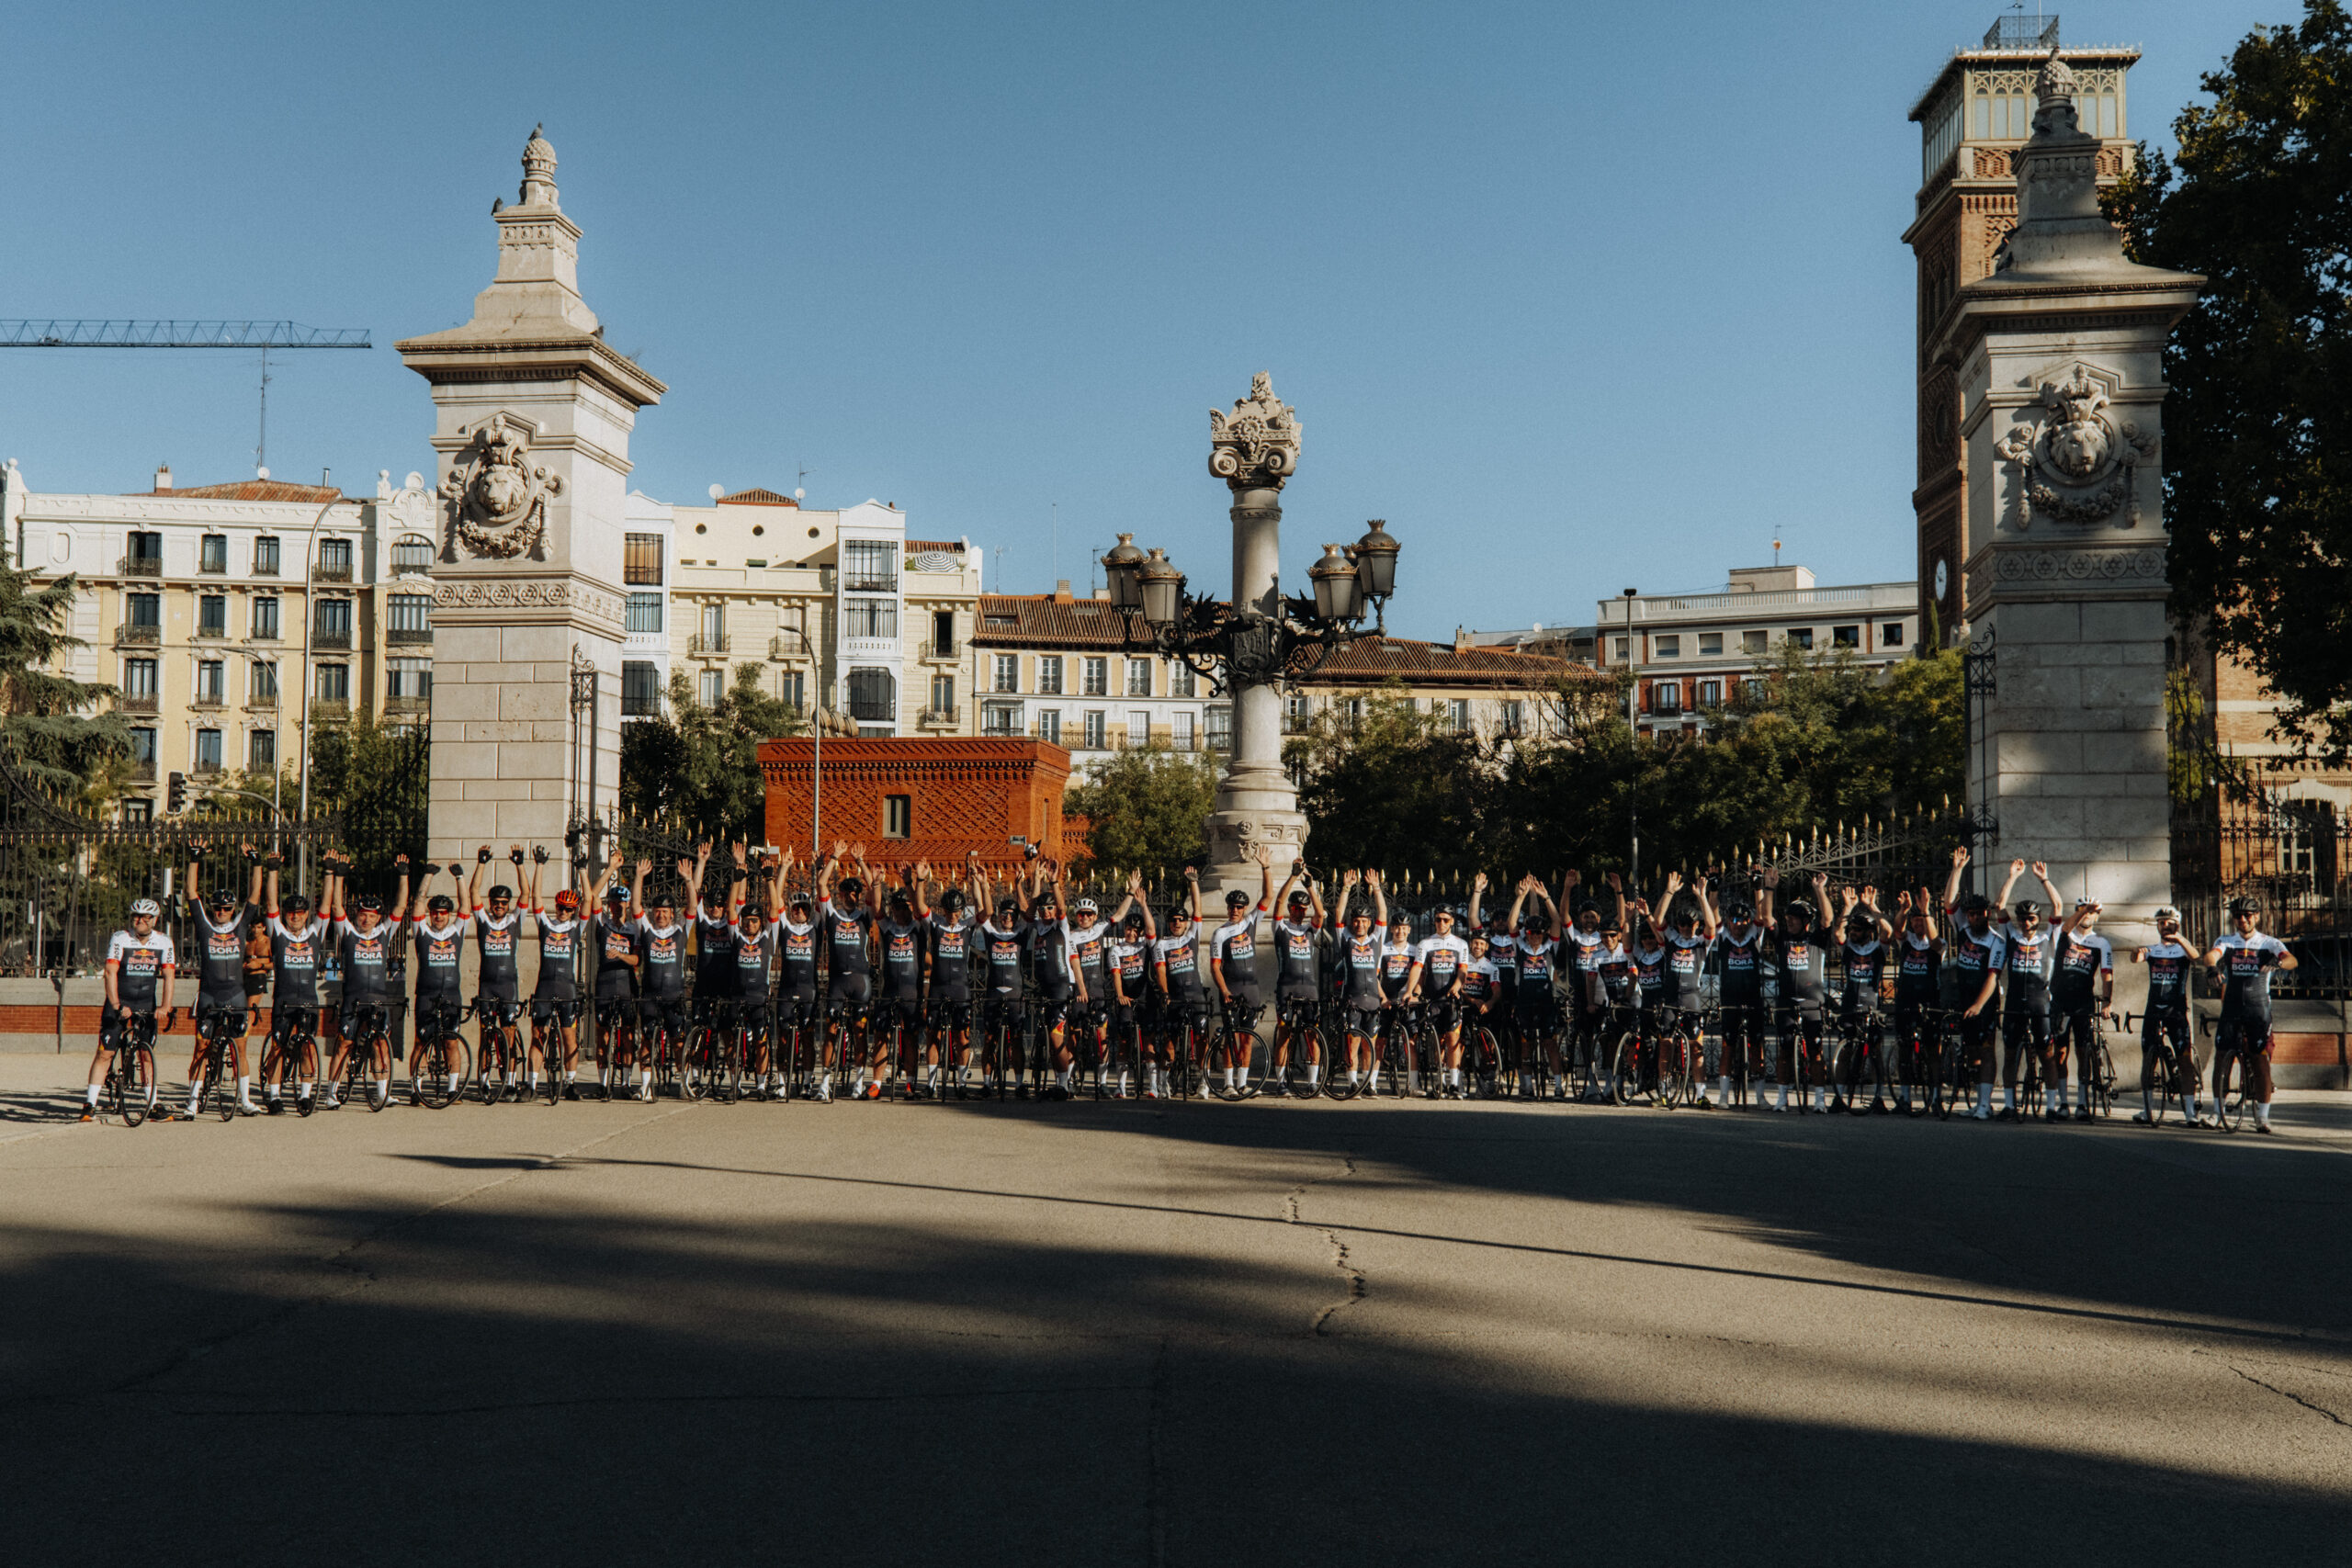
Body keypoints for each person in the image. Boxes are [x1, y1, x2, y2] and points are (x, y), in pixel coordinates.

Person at [177, 842, 266, 1119]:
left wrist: (256, 863)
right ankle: (192, 1102)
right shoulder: (205, 925)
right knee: (201, 1048)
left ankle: (246, 1101)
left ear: (232, 909)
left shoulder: (240, 925)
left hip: (236, 994)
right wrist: (195, 858)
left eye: (226, 908)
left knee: (240, 1048)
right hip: (209, 995)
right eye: (217, 908)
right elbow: (191, 893)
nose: (221, 912)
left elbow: (255, 895)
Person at [321, 855, 409, 1110]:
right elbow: (337, 907)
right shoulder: (347, 931)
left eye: (371, 916)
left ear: (378, 917)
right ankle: (331, 1093)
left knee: (381, 1043)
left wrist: (403, 876)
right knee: (344, 1044)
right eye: (362, 915)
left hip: (378, 999)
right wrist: (339, 875)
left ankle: (383, 1093)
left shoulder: (384, 932)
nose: (366, 919)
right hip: (353, 998)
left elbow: (401, 907)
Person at [2205, 896, 2295, 1134]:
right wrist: (2213, 967)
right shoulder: (2227, 940)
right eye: (2238, 916)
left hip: (2258, 1008)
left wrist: (2280, 962)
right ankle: (2217, 1112)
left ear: (2257, 917)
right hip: (2232, 1008)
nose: (2243, 919)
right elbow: (2211, 954)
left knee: (2260, 1060)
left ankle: (2262, 1118)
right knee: (2221, 1059)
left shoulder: (2269, 942)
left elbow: (2292, 960)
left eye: (2248, 915)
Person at [85, 897, 174, 1122]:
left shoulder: (164, 942)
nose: (139, 921)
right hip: (120, 1001)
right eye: (135, 916)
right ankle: (89, 1104)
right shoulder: (120, 938)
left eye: (145, 917)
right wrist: (116, 1005)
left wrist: (165, 1006)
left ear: (154, 920)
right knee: (105, 1053)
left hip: (146, 1003)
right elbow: (110, 973)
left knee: (146, 1055)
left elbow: (169, 976)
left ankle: (152, 1105)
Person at [1992, 858, 2063, 1122]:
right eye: (2022, 918)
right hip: (2013, 1001)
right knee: (2010, 1053)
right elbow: (1999, 906)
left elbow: (2058, 906)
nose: (2026, 922)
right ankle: (2009, 1105)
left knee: (2047, 1054)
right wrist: (2013, 876)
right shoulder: (2011, 935)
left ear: (2038, 919)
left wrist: (2044, 879)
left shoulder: (2049, 937)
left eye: (2031, 918)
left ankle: (2052, 1107)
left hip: (2039, 1000)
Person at [1758, 867, 1833, 1112]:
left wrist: (1819, 890)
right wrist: (1769, 888)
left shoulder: (1816, 939)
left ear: (1806, 922)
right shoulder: (1782, 938)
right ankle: (1782, 1098)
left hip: (1812, 1002)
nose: (1788, 921)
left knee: (1816, 1052)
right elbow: (1767, 918)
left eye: (1794, 918)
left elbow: (1828, 919)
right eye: (1788, 917)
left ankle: (1820, 1100)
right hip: (1786, 1002)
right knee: (1785, 1050)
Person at [258, 857, 330, 1113]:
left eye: (300, 913)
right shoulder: (278, 932)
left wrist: (329, 871)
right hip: (284, 1000)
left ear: (306, 915)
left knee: (308, 1047)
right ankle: (275, 1097)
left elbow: (326, 907)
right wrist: (274, 871)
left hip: (309, 1000)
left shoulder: (315, 933)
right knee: (278, 1047)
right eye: (292, 913)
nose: (296, 916)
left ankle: (305, 1095)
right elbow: (271, 904)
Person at [1942, 849, 2007, 1122]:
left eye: (1978, 914)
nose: (1973, 918)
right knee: (1971, 1051)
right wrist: (1956, 869)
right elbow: (1948, 902)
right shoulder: (1964, 930)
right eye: (1969, 914)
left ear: (1986, 914)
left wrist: (1979, 1005)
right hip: (1963, 997)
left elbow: (1993, 976)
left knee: (1987, 1049)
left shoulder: (1996, 941)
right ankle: (1979, 1102)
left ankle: (1985, 1103)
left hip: (1985, 1001)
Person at [915, 854, 986, 1098]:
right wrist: (920, 880)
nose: (953, 915)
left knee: (961, 1035)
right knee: (933, 1034)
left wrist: (979, 882)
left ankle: (962, 1085)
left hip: (961, 987)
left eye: (956, 911)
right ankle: (931, 1085)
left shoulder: (967, 925)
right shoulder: (936, 924)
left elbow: (985, 911)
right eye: (949, 911)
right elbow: (920, 908)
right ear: (943, 910)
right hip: (937, 986)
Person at [815, 841, 879, 1100]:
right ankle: (824, 1083)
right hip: (837, 981)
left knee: (860, 1031)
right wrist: (834, 857)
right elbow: (821, 885)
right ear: (841, 895)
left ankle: (858, 1082)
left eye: (856, 894)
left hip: (860, 980)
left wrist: (862, 863)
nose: (852, 897)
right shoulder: (832, 914)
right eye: (847, 893)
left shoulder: (864, 916)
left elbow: (876, 895)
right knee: (831, 1030)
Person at [1208, 846, 1274, 1097]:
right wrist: (1224, 990)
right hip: (1232, 987)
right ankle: (1227, 1083)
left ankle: (1243, 1083)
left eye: (1239, 906)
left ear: (1244, 908)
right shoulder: (1220, 933)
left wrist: (1266, 867)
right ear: (1227, 909)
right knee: (1231, 1037)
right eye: (1231, 906)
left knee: (1247, 1038)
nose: (1235, 910)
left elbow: (1268, 897)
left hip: (1252, 988)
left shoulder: (1250, 922)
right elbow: (1215, 966)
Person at [407, 863, 472, 1102]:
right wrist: (427, 876)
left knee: (451, 1042)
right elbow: (417, 903)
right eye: (435, 911)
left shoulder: (457, 931)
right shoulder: (422, 931)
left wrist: (460, 878)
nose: (438, 916)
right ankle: (416, 1089)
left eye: (443, 912)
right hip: (426, 993)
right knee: (420, 1041)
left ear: (449, 915)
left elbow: (466, 905)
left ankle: (452, 1089)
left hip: (452, 994)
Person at [468, 844, 530, 1095]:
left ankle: (511, 1081)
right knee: (485, 1036)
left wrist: (520, 865)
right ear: (491, 903)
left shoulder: (515, 919)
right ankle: (483, 1081)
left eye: (504, 902)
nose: (500, 906)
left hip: (508, 985)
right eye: (496, 902)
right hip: (486, 984)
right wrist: (481, 863)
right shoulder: (483, 919)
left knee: (509, 1034)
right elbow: (473, 892)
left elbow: (526, 892)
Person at [524, 845, 585, 1099]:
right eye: (560, 906)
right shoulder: (546, 924)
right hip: (545, 986)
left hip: (567, 987)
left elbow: (590, 902)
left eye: (568, 909)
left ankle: (570, 1084)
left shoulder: (575, 927)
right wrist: (539, 866)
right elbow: (536, 900)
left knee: (569, 1037)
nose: (563, 911)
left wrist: (582, 870)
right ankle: (531, 1085)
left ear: (573, 911)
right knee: (538, 1036)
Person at [2131, 905, 2199, 1125]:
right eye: (2160, 923)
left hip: (2176, 1011)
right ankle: (2147, 1109)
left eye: (2168, 922)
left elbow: (2196, 956)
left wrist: (2179, 938)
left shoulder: (2182, 949)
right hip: (2154, 1009)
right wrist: (2136, 952)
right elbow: (2136, 959)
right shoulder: (2153, 950)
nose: (2164, 926)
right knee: (2148, 1061)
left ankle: (2190, 1112)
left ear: (2177, 924)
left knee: (2185, 1059)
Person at [2050, 895, 2114, 1122]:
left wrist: (2107, 1001)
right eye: (2082, 911)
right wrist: (2081, 910)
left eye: (2091, 912)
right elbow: (2066, 926)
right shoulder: (2064, 934)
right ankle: (2063, 1103)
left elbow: (2107, 974)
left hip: (2082, 1002)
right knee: (2060, 1053)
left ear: (2098, 916)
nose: (2087, 915)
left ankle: (2081, 1103)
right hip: (2060, 1000)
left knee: (2082, 1051)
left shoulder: (2101, 943)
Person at [633, 860, 693, 1101]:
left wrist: (688, 880)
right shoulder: (646, 929)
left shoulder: (680, 930)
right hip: (649, 995)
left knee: (679, 1044)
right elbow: (636, 905)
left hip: (674, 995)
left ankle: (684, 1085)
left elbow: (692, 908)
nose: (660, 915)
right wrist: (639, 877)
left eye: (665, 912)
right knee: (647, 1041)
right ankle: (645, 1086)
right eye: (657, 911)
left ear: (672, 914)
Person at [1654, 873, 1716, 1106]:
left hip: (1692, 998)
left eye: (1690, 924)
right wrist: (1669, 891)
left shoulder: (1701, 942)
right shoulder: (1670, 939)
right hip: (1670, 998)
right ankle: (1664, 1089)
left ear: (1696, 925)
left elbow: (1711, 925)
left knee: (1696, 1046)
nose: (1685, 928)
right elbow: (1659, 920)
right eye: (1681, 924)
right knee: (1665, 1045)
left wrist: (1701, 896)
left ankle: (1701, 1093)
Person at [1830, 886, 1893, 1113]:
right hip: (1849, 1001)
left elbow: (1888, 932)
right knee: (1845, 1050)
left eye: (1857, 930)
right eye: (1852, 929)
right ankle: (1839, 1096)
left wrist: (1872, 906)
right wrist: (1847, 907)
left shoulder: (1878, 948)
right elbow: (1837, 933)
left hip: (1870, 1000)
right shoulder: (1848, 947)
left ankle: (1878, 1098)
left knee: (1875, 1051)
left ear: (1868, 931)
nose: (1852, 932)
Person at [1267, 862, 1327, 1096]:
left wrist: (1310, 887)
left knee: (1312, 1035)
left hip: (1310, 988)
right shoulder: (1281, 928)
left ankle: (1313, 1082)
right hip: (1287, 988)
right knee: (1284, 1035)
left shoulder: (1310, 930)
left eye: (1303, 908)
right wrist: (1292, 877)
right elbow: (1278, 903)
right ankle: (1281, 1082)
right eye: (1297, 908)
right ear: (1291, 909)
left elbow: (1320, 913)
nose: (1300, 911)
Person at [1150, 870, 1208, 1099]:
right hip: (1174, 997)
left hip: (1196, 995)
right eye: (1173, 920)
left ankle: (1204, 1082)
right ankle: (1164, 1083)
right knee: (1169, 1042)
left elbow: (1199, 911)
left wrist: (1194, 883)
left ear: (1185, 923)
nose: (1177, 923)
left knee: (1203, 1039)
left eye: (1180, 920)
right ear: (1169, 923)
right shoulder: (1161, 945)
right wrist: (1164, 992)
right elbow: (1161, 971)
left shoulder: (1191, 936)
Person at [1407, 903, 1473, 1098]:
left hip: (1451, 999)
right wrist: (1409, 991)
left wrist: (1457, 986)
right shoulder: (1425, 944)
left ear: (1452, 922)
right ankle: (1440, 1082)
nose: (1441, 923)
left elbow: (1463, 970)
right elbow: (1417, 968)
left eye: (1445, 920)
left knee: (1453, 1039)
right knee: (1438, 1042)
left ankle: (1454, 1084)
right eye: (1438, 919)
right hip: (1432, 999)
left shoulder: (1461, 944)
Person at [1507, 876, 1565, 1099]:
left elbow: (1557, 921)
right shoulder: (1519, 945)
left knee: (1550, 1044)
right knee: (1526, 1044)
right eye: (1531, 933)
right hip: (1524, 1001)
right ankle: (1528, 1086)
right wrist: (1520, 896)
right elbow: (1513, 924)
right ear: (1526, 934)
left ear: (1544, 934)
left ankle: (1559, 1087)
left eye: (1539, 933)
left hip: (1546, 1001)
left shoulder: (1551, 946)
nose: (1535, 937)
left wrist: (1546, 898)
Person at [1712, 891, 1768, 1108]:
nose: (1739, 924)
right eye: (1734, 920)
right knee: (1728, 1046)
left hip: (1753, 997)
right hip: (1730, 999)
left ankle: (1761, 1097)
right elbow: (1713, 914)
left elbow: (1762, 915)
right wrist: (1713, 890)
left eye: (1743, 920)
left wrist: (1757, 887)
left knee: (1757, 1046)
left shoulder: (1755, 933)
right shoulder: (1723, 935)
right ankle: (1724, 1096)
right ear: (1728, 921)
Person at [590, 865, 642, 1097]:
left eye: (621, 903)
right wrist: (611, 868)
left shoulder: (635, 929)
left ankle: (626, 1084)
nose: (616, 906)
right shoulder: (603, 924)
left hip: (626, 985)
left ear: (628, 904)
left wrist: (620, 955)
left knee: (628, 1035)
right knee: (602, 1035)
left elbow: (636, 960)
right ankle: (603, 1084)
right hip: (604, 984)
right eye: (612, 903)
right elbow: (592, 897)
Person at [1888, 888, 1942, 1115]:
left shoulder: (1939, 943)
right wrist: (1904, 911)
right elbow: (1897, 930)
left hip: (1930, 1001)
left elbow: (1935, 941)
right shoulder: (1907, 940)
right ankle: (1905, 1097)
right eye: (1916, 921)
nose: (1918, 924)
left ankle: (1937, 1098)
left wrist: (1926, 911)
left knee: (1932, 1050)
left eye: (1922, 921)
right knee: (1904, 1048)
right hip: (1906, 1000)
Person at [1106, 876, 1156, 1100]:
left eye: (1135, 930)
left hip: (1145, 998)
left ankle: (1153, 1086)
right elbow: (1116, 974)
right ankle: (1121, 1087)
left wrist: (1143, 904)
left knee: (1148, 1042)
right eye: (1128, 929)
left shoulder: (1146, 944)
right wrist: (1119, 995)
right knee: (1124, 1041)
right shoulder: (1116, 950)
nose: (1131, 933)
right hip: (1126, 997)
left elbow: (1152, 928)